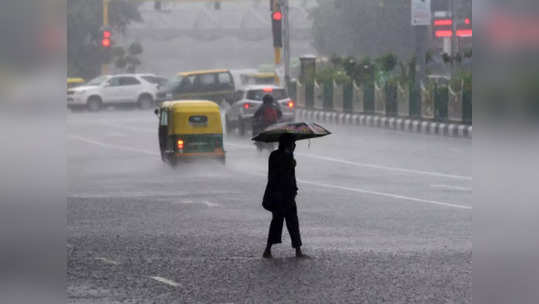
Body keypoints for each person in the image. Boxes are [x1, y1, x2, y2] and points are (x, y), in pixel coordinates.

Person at [262, 134, 307, 258]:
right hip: (278, 195)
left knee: (292, 222)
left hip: (288, 194)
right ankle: (268, 250)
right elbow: (280, 173)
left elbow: (291, 177)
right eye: (293, 143)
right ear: (287, 144)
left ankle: (297, 250)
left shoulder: (285, 155)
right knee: (278, 222)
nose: (294, 146)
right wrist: (289, 158)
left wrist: (294, 189)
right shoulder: (277, 156)